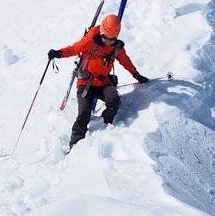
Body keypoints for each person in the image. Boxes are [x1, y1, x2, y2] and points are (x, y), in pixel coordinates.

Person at [47, 13, 149, 147]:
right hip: (85, 84)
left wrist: (136, 75)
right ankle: (75, 144)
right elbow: (74, 49)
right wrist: (58, 53)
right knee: (84, 113)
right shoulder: (90, 40)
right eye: (106, 38)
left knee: (114, 101)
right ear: (101, 32)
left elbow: (125, 61)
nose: (108, 42)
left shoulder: (116, 47)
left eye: (112, 39)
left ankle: (105, 126)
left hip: (103, 83)